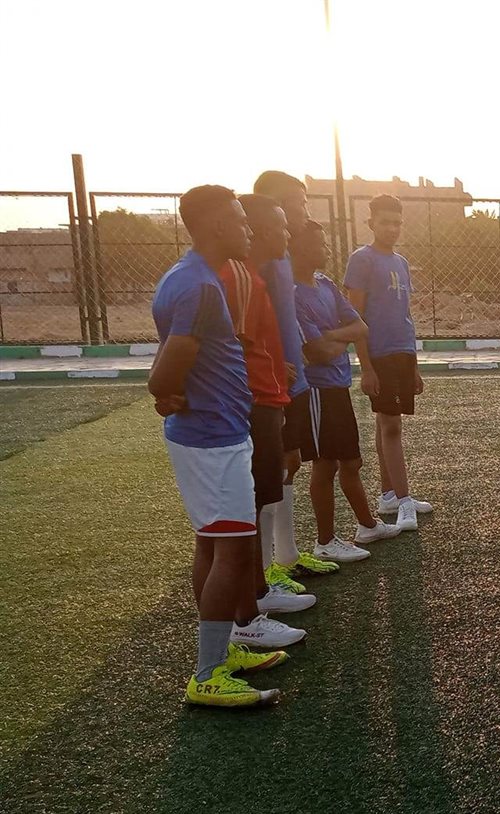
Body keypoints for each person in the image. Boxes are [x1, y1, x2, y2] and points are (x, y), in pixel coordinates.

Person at [151, 185, 289, 707]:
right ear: (214, 226)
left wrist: (173, 391)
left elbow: (177, 352)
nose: (247, 228)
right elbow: (168, 364)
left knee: (212, 542)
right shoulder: (200, 286)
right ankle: (208, 673)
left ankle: (223, 650)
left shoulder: (189, 277)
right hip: (214, 437)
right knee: (230, 547)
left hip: (213, 431)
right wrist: (166, 392)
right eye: (238, 219)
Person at [225, 194, 319, 624]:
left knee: (270, 485)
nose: (289, 232)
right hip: (258, 398)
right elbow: (232, 344)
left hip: (274, 392)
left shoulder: (260, 276)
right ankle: (254, 600)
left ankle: (263, 584)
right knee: (251, 503)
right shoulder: (241, 278)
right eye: (281, 225)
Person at [251, 171, 343, 575]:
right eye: (298, 202)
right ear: (273, 204)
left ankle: (285, 557)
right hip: (273, 380)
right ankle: (265, 572)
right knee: (269, 474)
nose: (305, 210)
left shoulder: (283, 256)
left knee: (288, 464)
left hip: (294, 378)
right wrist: (272, 365)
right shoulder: (259, 260)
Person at [291, 221, 402, 553]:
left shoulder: (325, 285)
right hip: (316, 390)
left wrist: (332, 337)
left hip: (337, 383)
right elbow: (317, 352)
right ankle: (325, 541)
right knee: (325, 464)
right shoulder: (293, 296)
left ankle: (367, 525)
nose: (326, 250)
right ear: (298, 248)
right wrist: (338, 339)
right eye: (319, 245)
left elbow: (360, 327)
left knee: (351, 462)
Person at [345, 194, 432, 531]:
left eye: (397, 222)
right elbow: (356, 315)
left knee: (387, 425)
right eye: (385, 222)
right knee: (391, 425)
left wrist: (414, 364)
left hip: (401, 353)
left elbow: (405, 314)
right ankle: (405, 500)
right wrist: (365, 366)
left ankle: (389, 494)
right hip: (378, 355)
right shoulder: (361, 260)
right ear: (371, 223)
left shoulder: (400, 262)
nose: (392, 228)